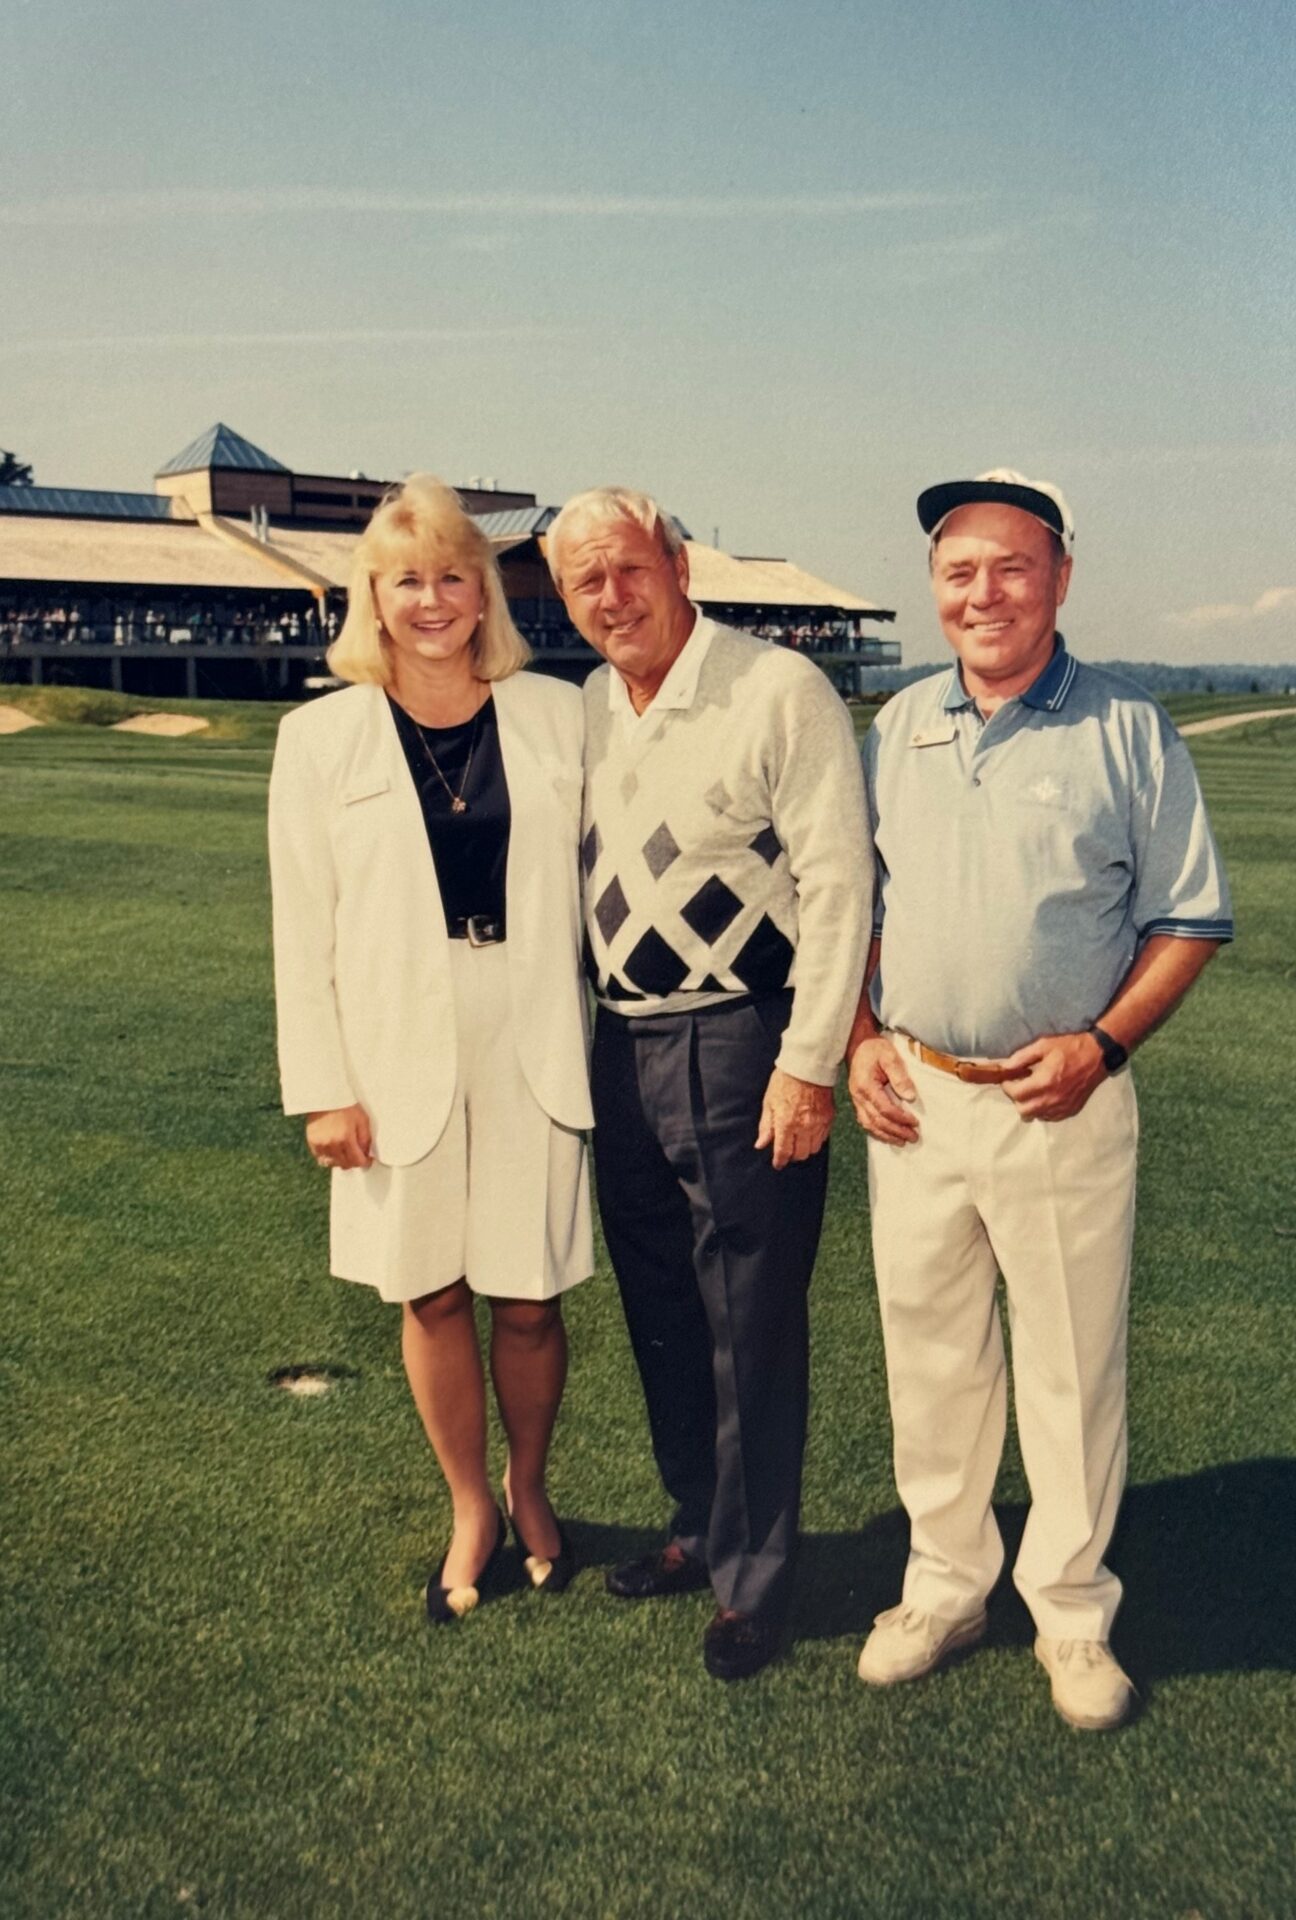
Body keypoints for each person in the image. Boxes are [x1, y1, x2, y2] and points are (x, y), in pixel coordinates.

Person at [848, 469, 1233, 1728]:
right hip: (916, 1100)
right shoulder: (899, 725)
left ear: (1062, 577)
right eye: (959, 571)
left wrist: (1102, 1047)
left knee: (1069, 1368)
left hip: (1060, 1101)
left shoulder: (1127, 727)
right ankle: (945, 1589)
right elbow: (852, 908)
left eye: (1012, 567)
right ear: (933, 588)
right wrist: (858, 1037)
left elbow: (1187, 920)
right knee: (932, 1362)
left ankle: (1070, 1613)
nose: (985, 593)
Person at [547, 486, 871, 1680]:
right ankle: (699, 1523)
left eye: (629, 568)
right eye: (585, 581)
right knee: (664, 1308)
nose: (612, 597)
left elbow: (840, 882)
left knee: (750, 1317)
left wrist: (809, 1063)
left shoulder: (778, 689)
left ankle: (755, 1583)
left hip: (743, 1038)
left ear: (680, 567)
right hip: (622, 1042)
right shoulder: (588, 707)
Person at [268, 474, 594, 1624]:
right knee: (432, 1291)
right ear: (374, 595)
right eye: (407, 580)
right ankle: (470, 1507)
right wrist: (324, 1089)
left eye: (454, 575)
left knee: (530, 1295)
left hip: (531, 1029)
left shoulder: (557, 715)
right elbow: (302, 926)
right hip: (392, 1043)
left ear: (485, 591)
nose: (432, 600)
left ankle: (529, 1484)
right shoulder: (319, 738)